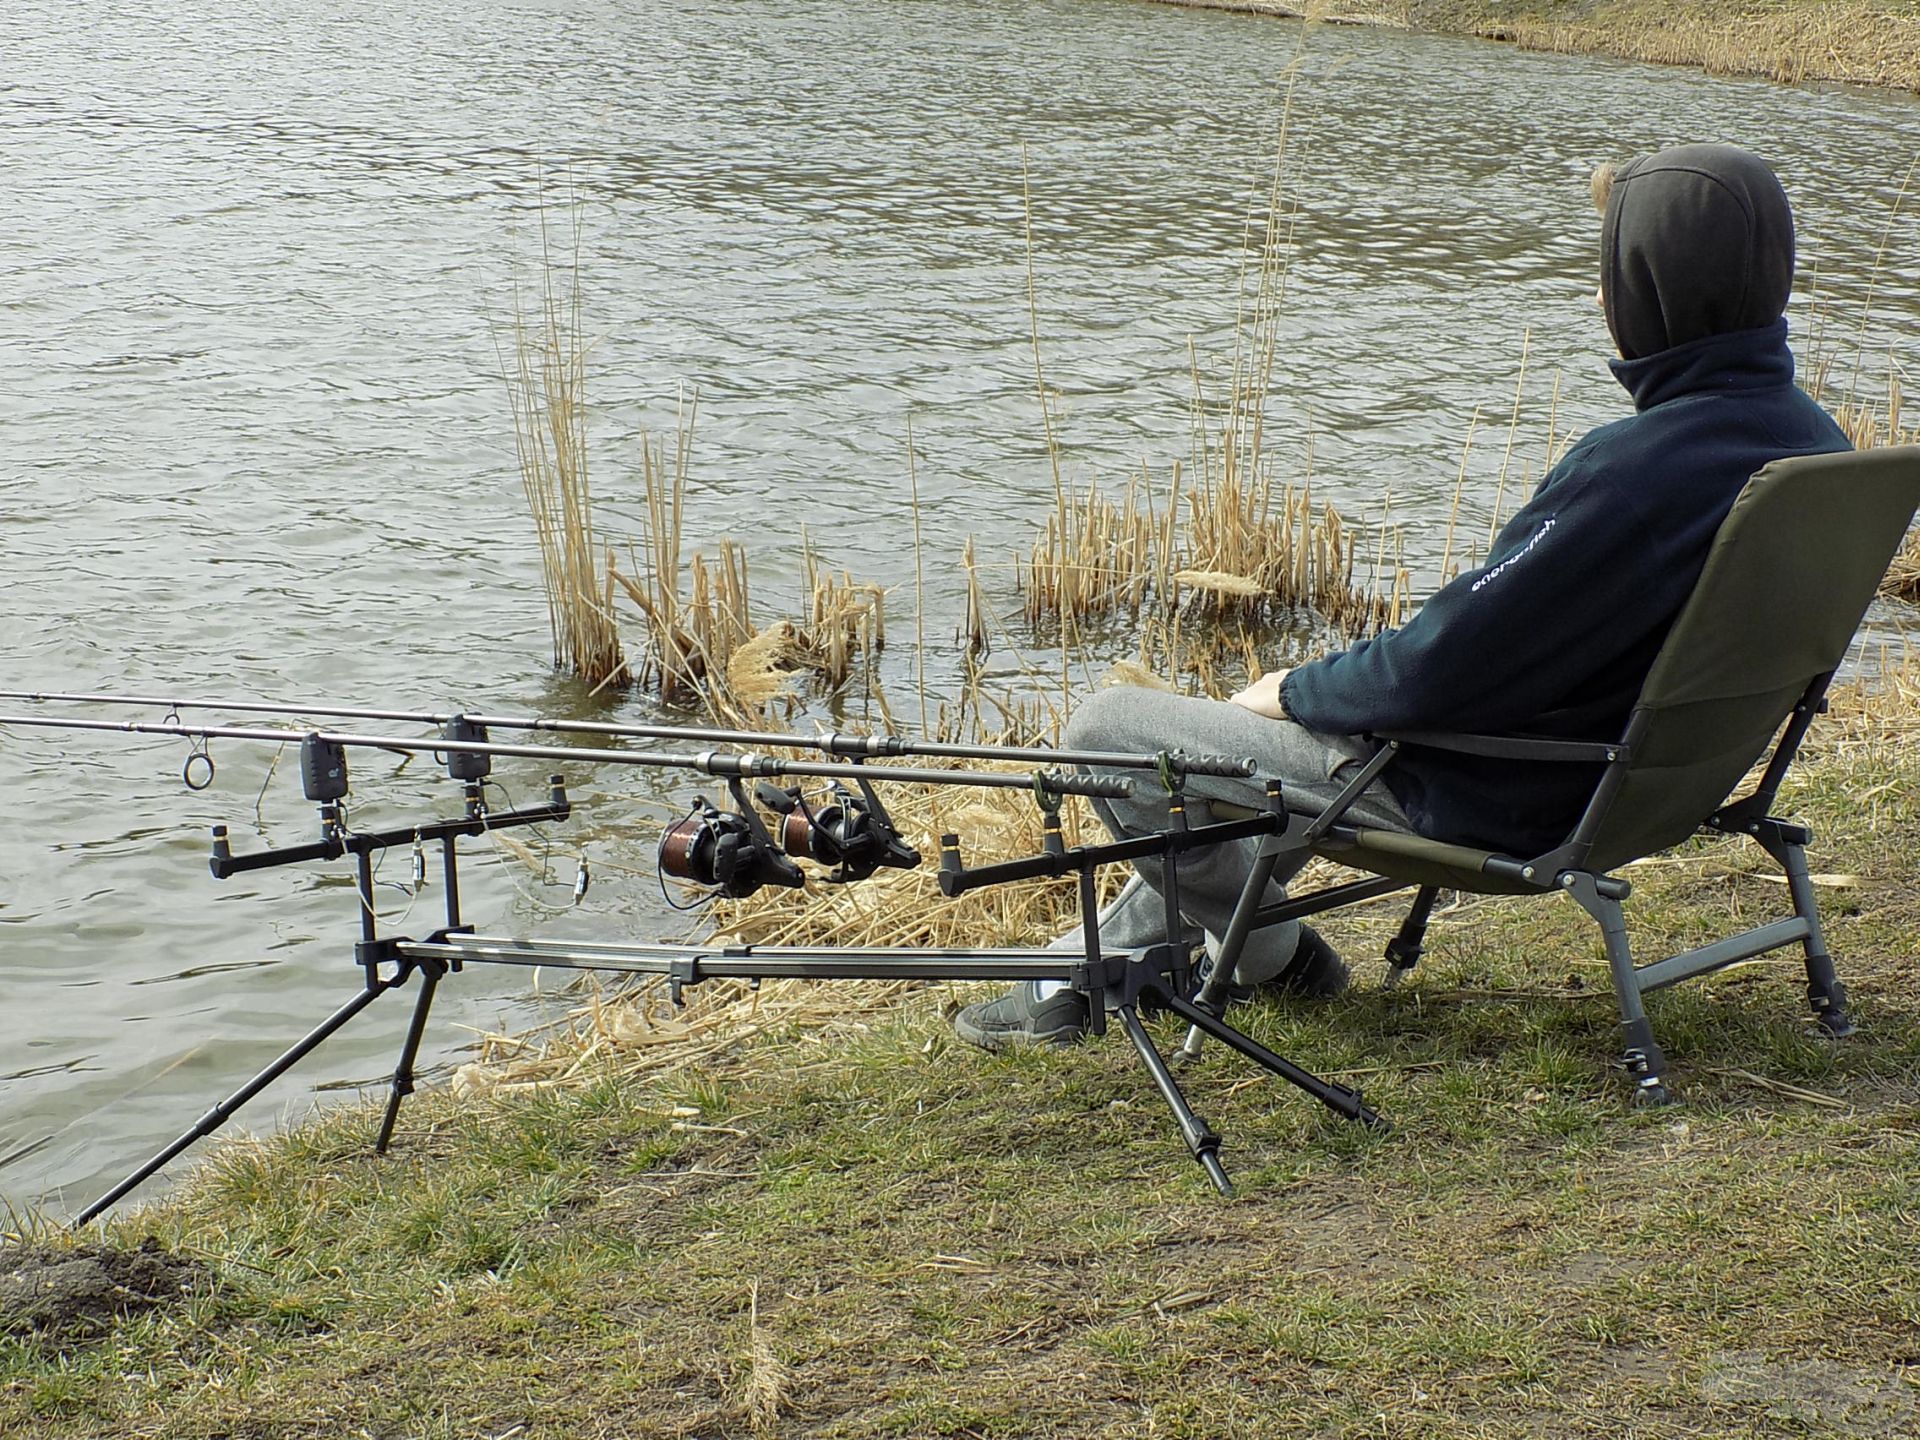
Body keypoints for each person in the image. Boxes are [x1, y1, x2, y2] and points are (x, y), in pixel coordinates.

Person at [954, 142, 1852, 1052]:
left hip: (1487, 793)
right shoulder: (1817, 445)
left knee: (1107, 731)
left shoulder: (1630, 474)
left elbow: (1435, 669)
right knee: (1263, 748)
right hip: (1648, 785)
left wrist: (1294, 689)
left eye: (1607, 270)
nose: (1595, 297)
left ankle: (1262, 953)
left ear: (1652, 289)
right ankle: (1075, 971)